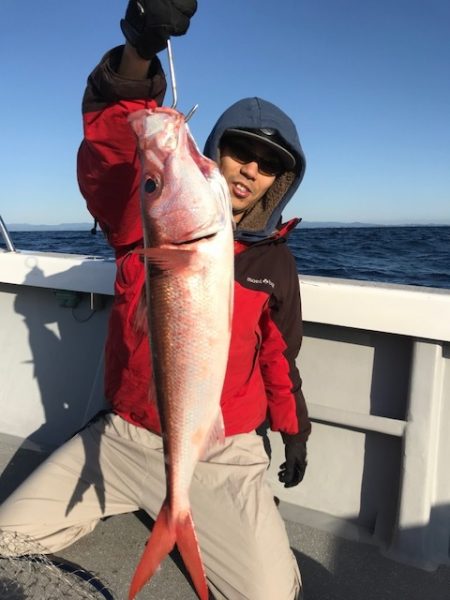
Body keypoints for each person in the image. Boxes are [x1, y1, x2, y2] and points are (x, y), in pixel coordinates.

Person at [0, 1, 311, 598]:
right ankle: (123, 502)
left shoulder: (274, 265)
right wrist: (138, 52)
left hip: (221, 452)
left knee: (271, 594)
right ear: (214, 150)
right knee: (5, 539)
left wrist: (294, 433)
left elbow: (279, 355)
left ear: (280, 182)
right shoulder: (139, 229)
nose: (250, 169)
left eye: (269, 165)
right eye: (240, 151)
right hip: (126, 435)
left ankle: (180, 510)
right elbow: (114, 152)